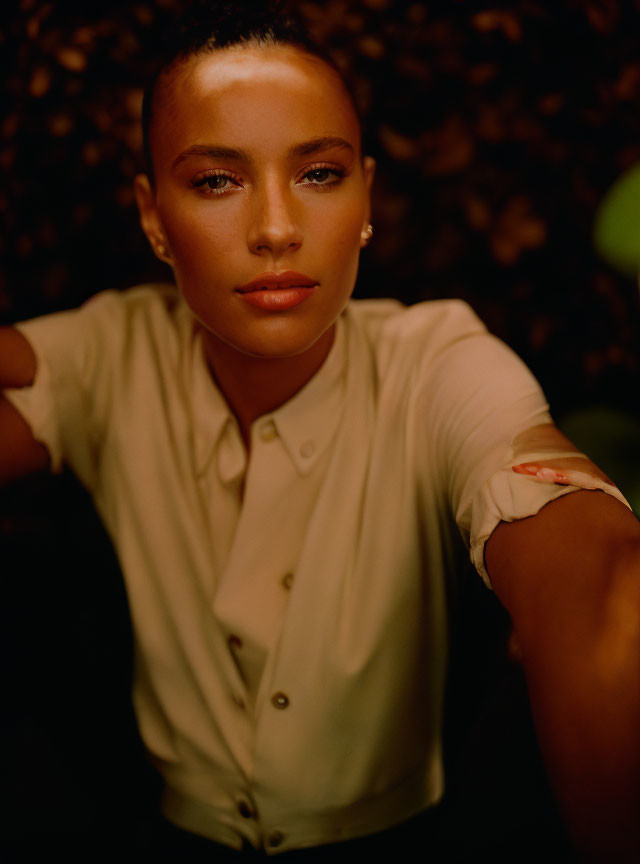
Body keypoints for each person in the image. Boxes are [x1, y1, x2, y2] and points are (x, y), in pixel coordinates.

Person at [1, 1, 638, 860]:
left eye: (320, 174)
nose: (275, 229)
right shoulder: (111, 351)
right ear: (154, 217)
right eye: (217, 181)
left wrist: (593, 613)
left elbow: (587, 571)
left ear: (368, 195)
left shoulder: (438, 361)